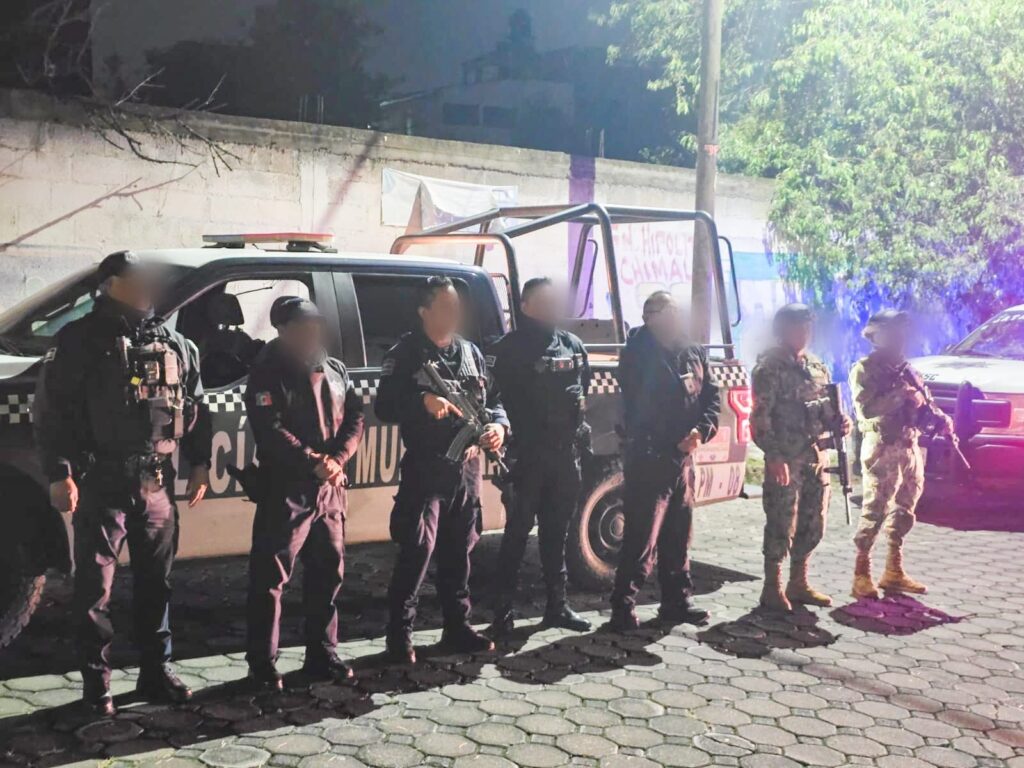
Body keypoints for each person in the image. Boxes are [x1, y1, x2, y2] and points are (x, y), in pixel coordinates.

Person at [33, 251, 211, 717]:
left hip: (157, 482)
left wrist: (200, 464)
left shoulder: (174, 341)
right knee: (95, 590)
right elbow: (51, 412)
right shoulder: (79, 339)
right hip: (102, 480)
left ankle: (157, 671)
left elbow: (195, 403)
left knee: (157, 584)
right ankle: (97, 685)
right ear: (110, 284)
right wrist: (60, 473)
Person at [375, 276, 509, 663]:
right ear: (424, 311)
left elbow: (495, 400)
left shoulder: (470, 352)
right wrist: (421, 401)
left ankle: (457, 627)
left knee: (460, 551)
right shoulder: (406, 354)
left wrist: (499, 427)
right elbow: (385, 406)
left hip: (466, 469)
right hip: (427, 466)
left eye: (456, 307)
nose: (454, 313)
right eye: (446, 307)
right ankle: (399, 636)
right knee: (417, 551)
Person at [244, 296, 365, 690]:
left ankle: (322, 653)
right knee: (270, 579)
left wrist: (338, 459)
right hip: (286, 488)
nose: (311, 332)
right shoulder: (267, 371)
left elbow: (355, 415)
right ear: (283, 329)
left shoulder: (333, 368)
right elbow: (269, 427)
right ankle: (262, 663)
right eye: (302, 326)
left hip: (329, 489)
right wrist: (313, 460)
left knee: (328, 573)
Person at [488, 277, 592, 636]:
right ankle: (501, 612)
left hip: (565, 457)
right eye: (543, 302)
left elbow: (583, 391)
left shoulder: (572, 345)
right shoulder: (506, 350)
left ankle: (557, 606)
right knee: (517, 535)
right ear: (526, 306)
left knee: (557, 533)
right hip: (526, 458)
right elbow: (492, 401)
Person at [609, 291, 719, 630]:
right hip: (649, 457)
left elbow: (711, 397)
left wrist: (701, 431)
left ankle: (676, 602)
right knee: (641, 537)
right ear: (649, 317)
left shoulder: (692, 350)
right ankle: (623, 606)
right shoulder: (636, 354)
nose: (675, 317)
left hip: (683, 460)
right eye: (667, 312)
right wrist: (673, 438)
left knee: (679, 535)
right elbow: (642, 406)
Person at [751, 304, 851, 612]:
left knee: (813, 520)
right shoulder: (769, 368)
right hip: (786, 458)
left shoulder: (817, 366)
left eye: (807, 327)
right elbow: (760, 418)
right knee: (781, 521)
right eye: (797, 326)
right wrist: (773, 455)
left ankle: (799, 582)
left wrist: (840, 422)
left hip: (815, 456)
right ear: (782, 330)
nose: (803, 333)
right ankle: (772, 587)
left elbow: (827, 409)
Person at [849, 309, 950, 598]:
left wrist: (941, 419)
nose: (900, 338)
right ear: (877, 336)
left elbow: (926, 402)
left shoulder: (908, 370)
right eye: (893, 332)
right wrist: (900, 395)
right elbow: (866, 408)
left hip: (909, 445)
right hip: (882, 446)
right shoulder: (865, 369)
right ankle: (861, 573)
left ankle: (893, 571)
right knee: (876, 509)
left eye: (902, 333)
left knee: (905, 508)